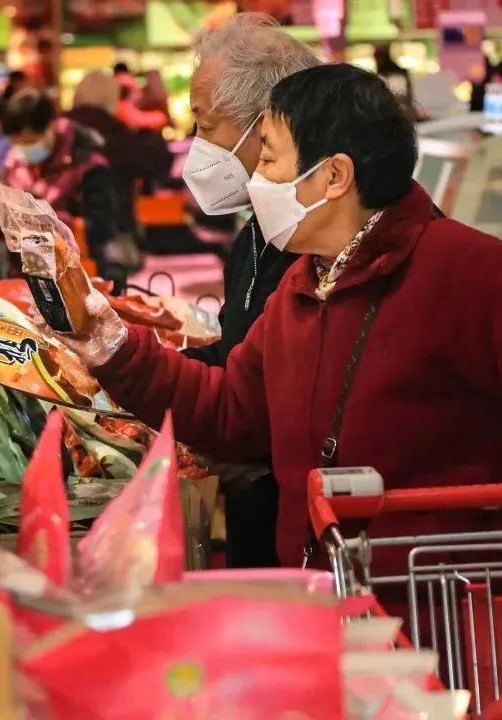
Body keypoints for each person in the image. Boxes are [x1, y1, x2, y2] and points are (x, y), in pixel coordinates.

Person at [50, 64, 502, 583]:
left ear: (332, 177)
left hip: (450, 610)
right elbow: (230, 410)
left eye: (271, 158)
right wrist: (106, 340)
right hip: (332, 597)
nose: (256, 178)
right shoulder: (303, 285)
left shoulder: (461, 268)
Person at [179, 13, 320, 567]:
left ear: (269, 126)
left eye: (206, 124)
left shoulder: (319, 243)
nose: (196, 145)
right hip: (257, 514)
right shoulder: (255, 233)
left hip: (306, 527)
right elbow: (242, 360)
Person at [2, 90, 117, 276]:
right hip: (28, 272)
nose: (24, 150)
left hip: (80, 272)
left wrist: (49, 223)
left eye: (31, 141)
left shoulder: (87, 161)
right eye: (18, 143)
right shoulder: (16, 161)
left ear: (52, 125)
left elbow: (102, 225)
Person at [67, 70, 172, 249]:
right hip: (111, 230)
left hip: (62, 230)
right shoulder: (117, 131)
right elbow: (148, 165)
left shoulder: (59, 128)